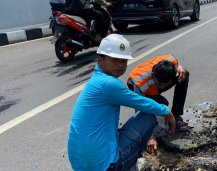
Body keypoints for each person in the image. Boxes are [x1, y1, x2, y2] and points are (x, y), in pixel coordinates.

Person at [67, 34, 176, 171]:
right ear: (100, 60)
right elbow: (142, 103)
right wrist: (167, 112)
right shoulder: (108, 84)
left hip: (81, 164)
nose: (119, 65)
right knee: (148, 116)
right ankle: (128, 165)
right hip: (104, 165)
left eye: (123, 61)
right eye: (114, 60)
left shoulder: (96, 80)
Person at [127, 55, 190, 132]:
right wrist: (147, 133)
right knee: (162, 103)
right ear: (153, 75)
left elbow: (178, 68)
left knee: (184, 74)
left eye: (165, 85)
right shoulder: (140, 84)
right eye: (160, 84)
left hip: (153, 82)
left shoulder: (171, 63)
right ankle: (153, 120)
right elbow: (139, 107)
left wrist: (179, 67)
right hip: (138, 84)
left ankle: (176, 115)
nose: (162, 87)